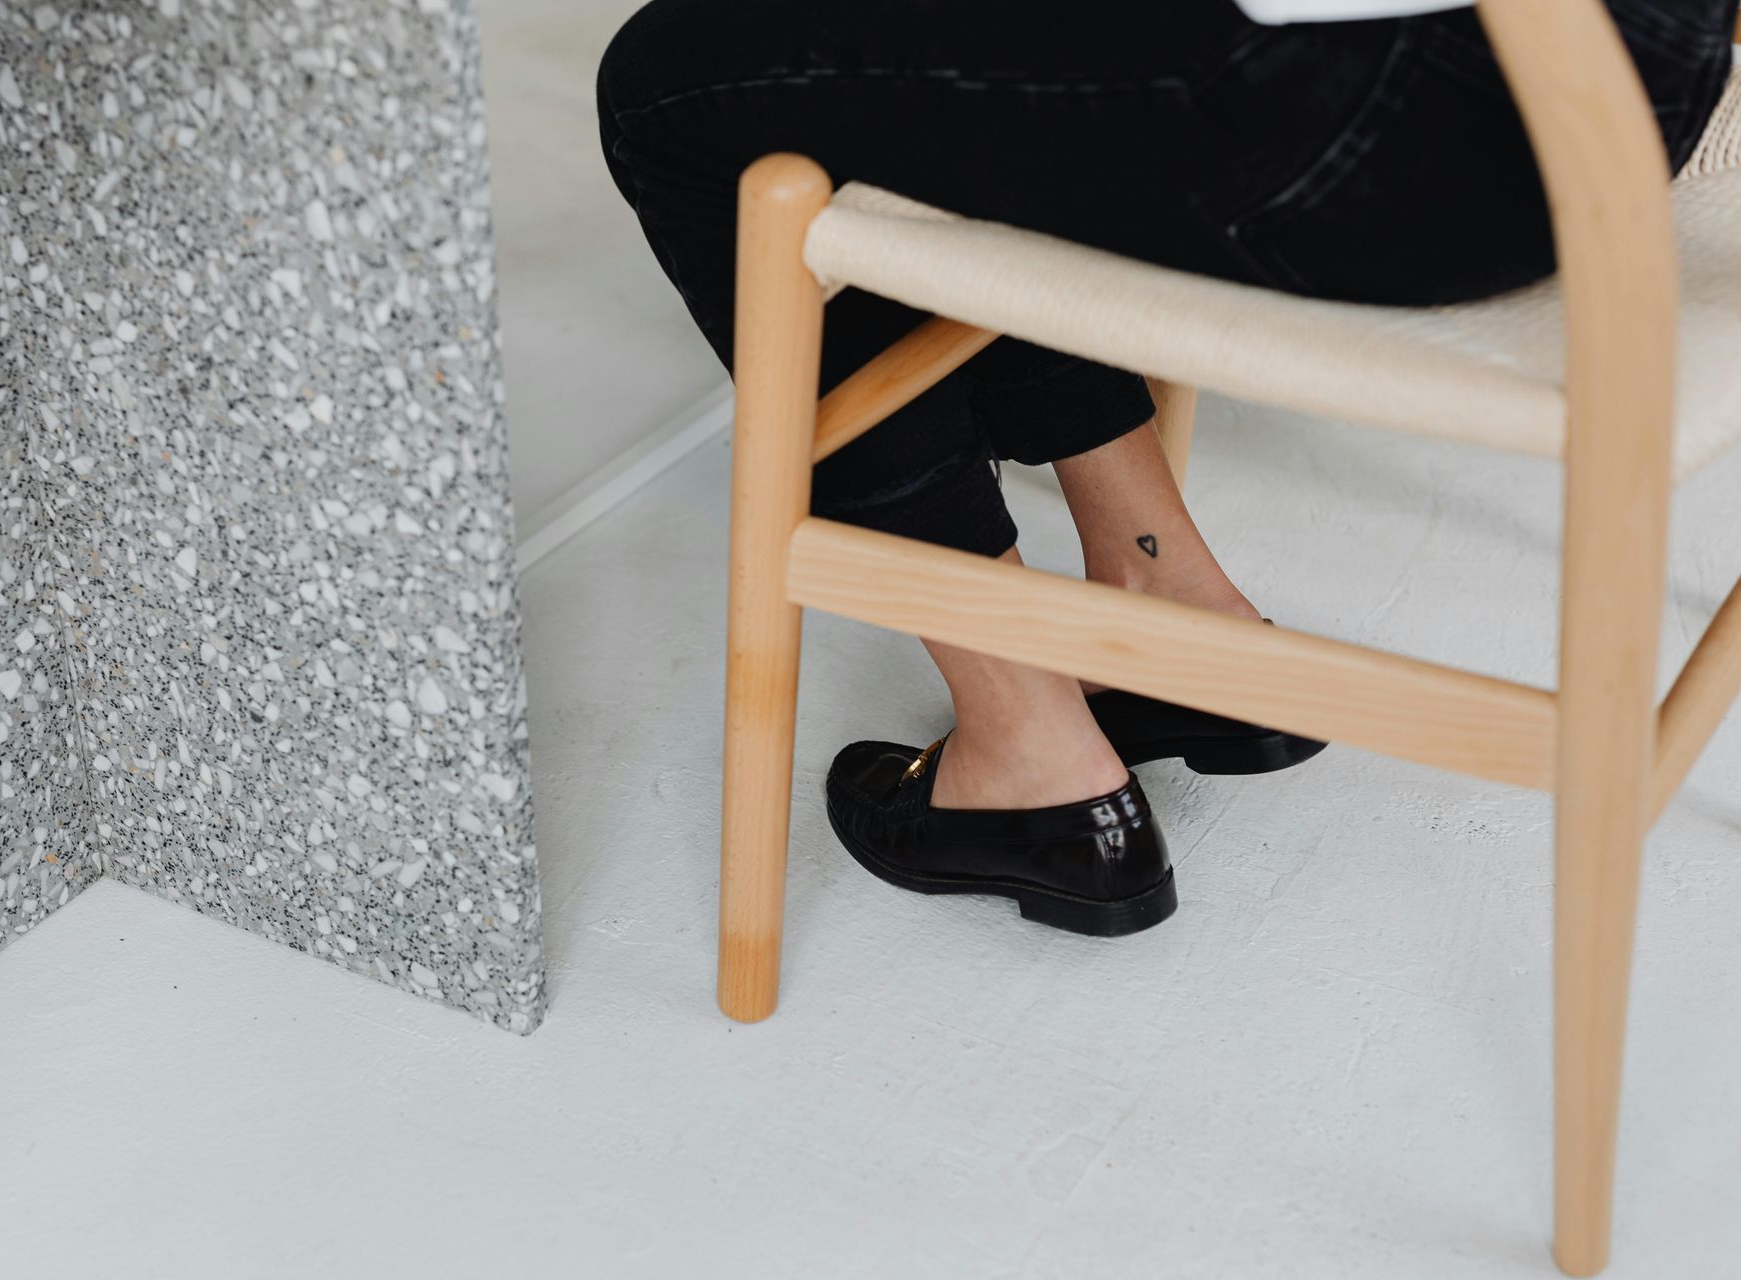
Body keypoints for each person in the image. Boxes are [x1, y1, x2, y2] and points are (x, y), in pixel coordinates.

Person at [595, 0, 1739, 935]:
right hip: (1636, 86)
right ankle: (1167, 599)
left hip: (1402, 119)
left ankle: (1025, 748)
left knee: (673, 85)